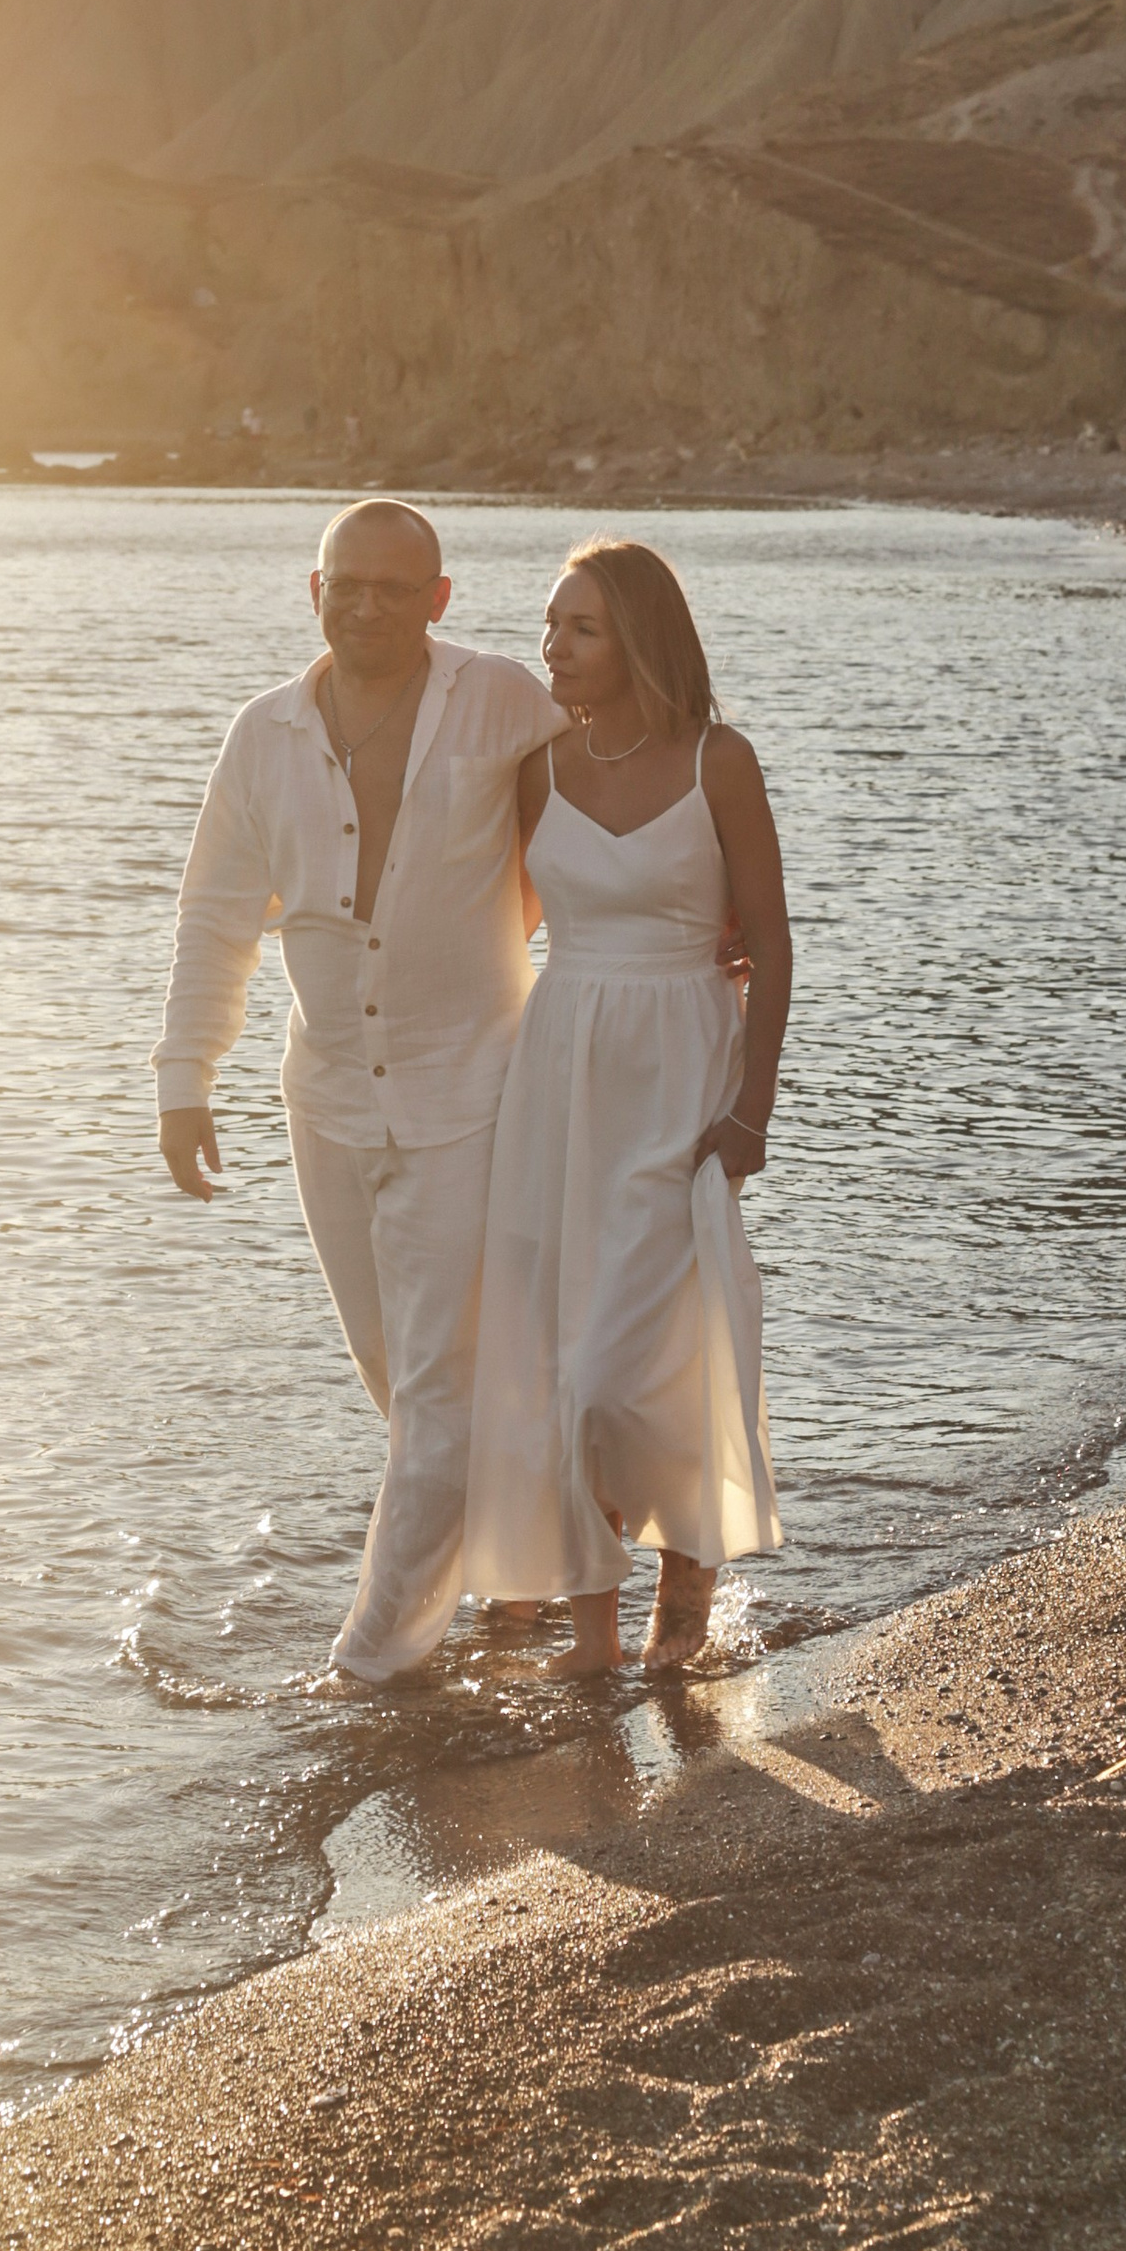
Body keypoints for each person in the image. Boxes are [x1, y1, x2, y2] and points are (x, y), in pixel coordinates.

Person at [152, 499, 563, 1680]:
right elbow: (216, 915)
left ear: (439, 598)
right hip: (326, 1096)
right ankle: (524, 1572)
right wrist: (187, 1078)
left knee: (438, 1390)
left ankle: (373, 1665)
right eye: (349, 584)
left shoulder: (498, 701)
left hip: (473, 1088)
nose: (369, 604)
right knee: (397, 1373)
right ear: (313, 590)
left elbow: (589, 836)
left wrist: (690, 940)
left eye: (397, 586)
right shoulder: (262, 734)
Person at [463, 538, 791, 1674]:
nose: (552, 646)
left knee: (635, 1364)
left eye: (582, 628)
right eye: (549, 623)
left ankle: (685, 1588)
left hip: (680, 1063)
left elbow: (776, 943)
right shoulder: (537, 766)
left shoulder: (719, 762)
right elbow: (493, 932)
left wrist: (752, 1110)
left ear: (642, 638)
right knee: (559, 1362)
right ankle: (597, 1632)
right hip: (559, 1076)